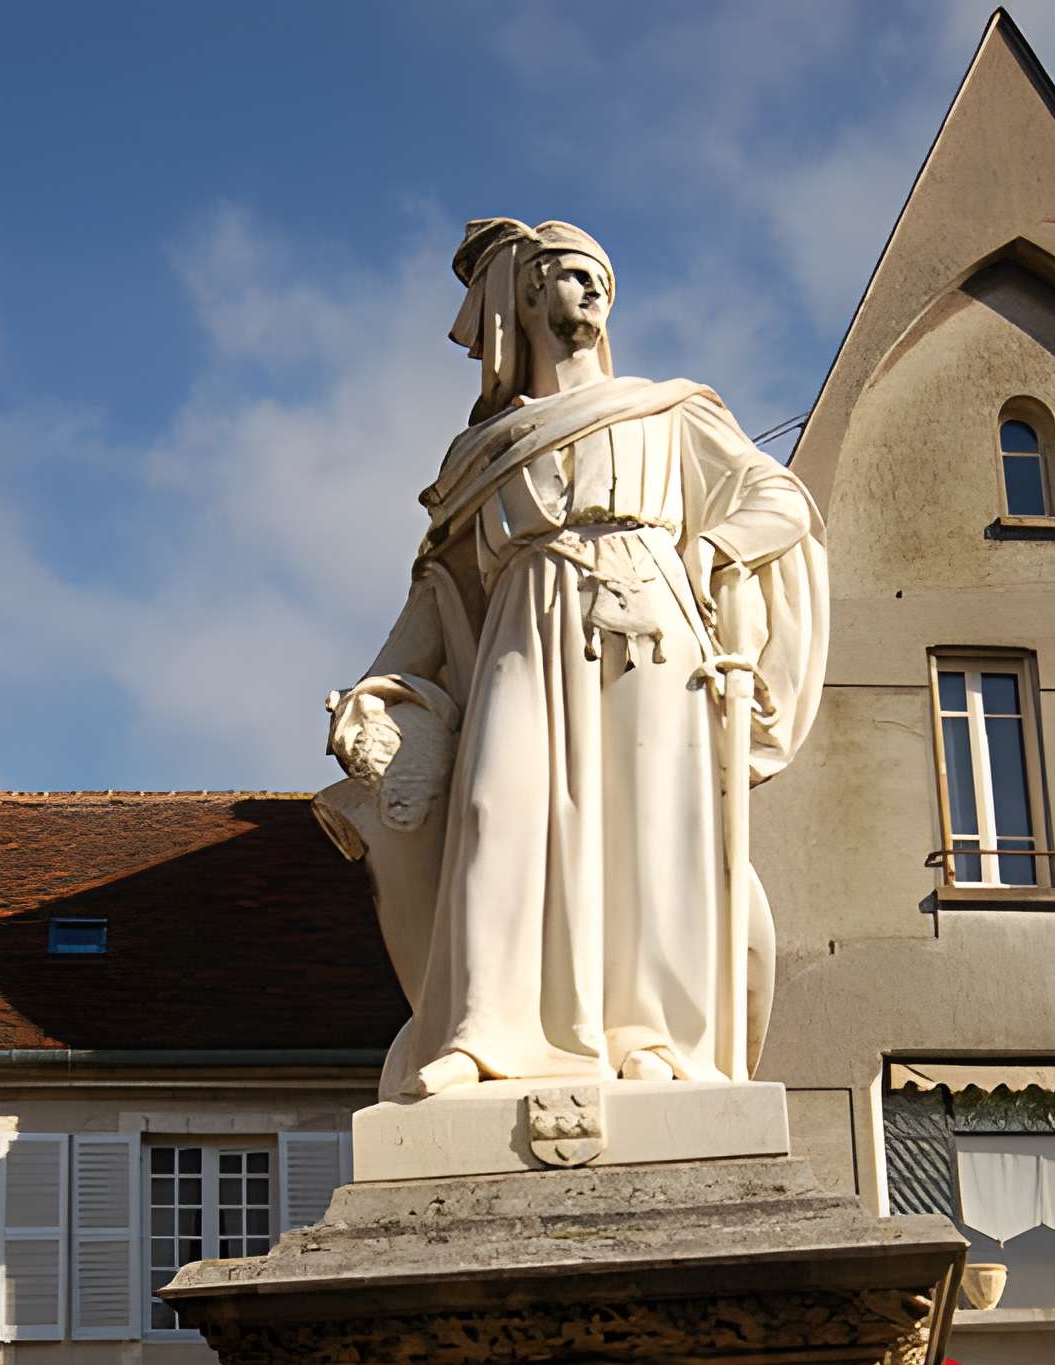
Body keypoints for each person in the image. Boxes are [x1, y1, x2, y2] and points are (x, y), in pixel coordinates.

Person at [324, 217, 827, 1102]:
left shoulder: (666, 412)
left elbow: (777, 497)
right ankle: (484, 1033)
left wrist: (716, 550)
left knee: (651, 820)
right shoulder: (481, 455)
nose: (594, 290)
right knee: (496, 804)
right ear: (526, 293)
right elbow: (438, 596)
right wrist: (373, 689)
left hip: (652, 619)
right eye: (572, 273)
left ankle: (654, 1037)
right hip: (527, 619)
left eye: (603, 280)